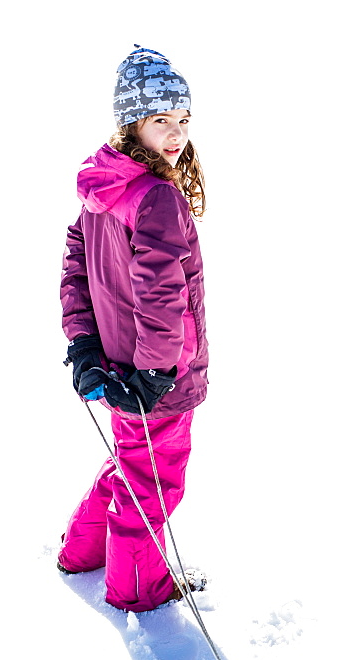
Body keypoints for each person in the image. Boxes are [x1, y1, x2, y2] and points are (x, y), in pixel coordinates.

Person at [57, 46, 208, 613]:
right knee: (153, 481)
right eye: (160, 121)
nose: (176, 135)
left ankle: (82, 553)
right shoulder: (156, 197)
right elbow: (162, 294)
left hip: (125, 368)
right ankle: (138, 590)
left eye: (183, 120)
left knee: (130, 461)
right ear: (131, 124)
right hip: (153, 376)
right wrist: (155, 369)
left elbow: (78, 261)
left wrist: (87, 345)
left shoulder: (104, 189)